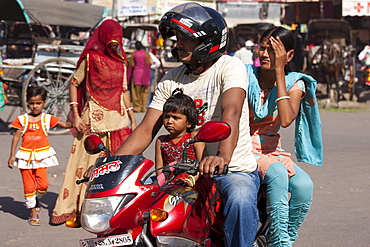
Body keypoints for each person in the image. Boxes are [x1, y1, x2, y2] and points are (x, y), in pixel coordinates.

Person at [115, 3, 259, 246]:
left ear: (208, 42)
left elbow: (231, 110)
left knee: (240, 198)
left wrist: (222, 156)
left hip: (231, 168)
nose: (177, 44)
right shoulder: (171, 79)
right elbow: (146, 128)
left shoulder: (229, 67)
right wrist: (111, 166)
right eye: (176, 38)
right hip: (179, 173)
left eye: (185, 39)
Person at [51, 19, 136, 226]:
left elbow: (123, 92)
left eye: (118, 38)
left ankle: (111, 210)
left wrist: (133, 119)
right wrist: (76, 115)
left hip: (118, 121)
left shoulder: (121, 62)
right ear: (104, 36)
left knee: (115, 166)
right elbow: (74, 83)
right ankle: (80, 209)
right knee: (86, 166)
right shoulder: (90, 59)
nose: (115, 42)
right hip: (92, 122)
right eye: (112, 38)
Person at [246, 26, 323, 246]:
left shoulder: (294, 83)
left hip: (272, 150)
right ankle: (279, 244)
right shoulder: (245, 75)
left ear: (288, 55)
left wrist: (280, 72)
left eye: (273, 51)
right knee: (278, 172)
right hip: (244, 147)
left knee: (304, 187)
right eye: (262, 48)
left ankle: (281, 239)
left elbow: (287, 119)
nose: (264, 54)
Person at [7, 86, 72, 226]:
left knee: (42, 185)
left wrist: (78, 121)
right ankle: (33, 211)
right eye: (31, 103)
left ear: (44, 102)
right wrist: (12, 156)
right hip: (25, 157)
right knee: (29, 186)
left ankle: (35, 200)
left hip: (41, 157)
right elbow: (16, 137)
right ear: (27, 102)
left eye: (38, 103)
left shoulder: (47, 118)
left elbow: (65, 124)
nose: (35, 106)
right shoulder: (22, 119)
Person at [154, 89, 205, 186]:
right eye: (166, 116)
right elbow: (159, 169)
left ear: (189, 123)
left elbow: (201, 166)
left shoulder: (194, 138)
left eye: (175, 117)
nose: (169, 121)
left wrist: (189, 181)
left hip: (192, 184)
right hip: (168, 184)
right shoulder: (161, 141)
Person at [127, 41, 153, 112]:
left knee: (135, 92)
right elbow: (151, 62)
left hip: (137, 74)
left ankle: (137, 107)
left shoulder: (135, 54)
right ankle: (143, 107)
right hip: (145, 75)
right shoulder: (146, 53)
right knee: (144, 92)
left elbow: (131, 64)